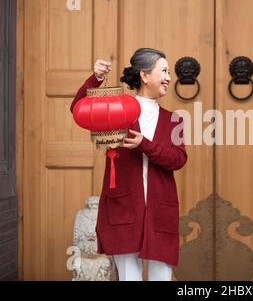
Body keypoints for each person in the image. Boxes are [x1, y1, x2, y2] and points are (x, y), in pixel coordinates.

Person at [70, 48, 187, 281]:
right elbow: (78, 110)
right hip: (123, 209)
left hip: (160, 213)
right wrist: (96, 79)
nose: (169, 78)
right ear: (145, 76)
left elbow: (178, 160)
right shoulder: (117, 112)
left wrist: (145, 144)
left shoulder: (174, 119)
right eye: (164, 71)